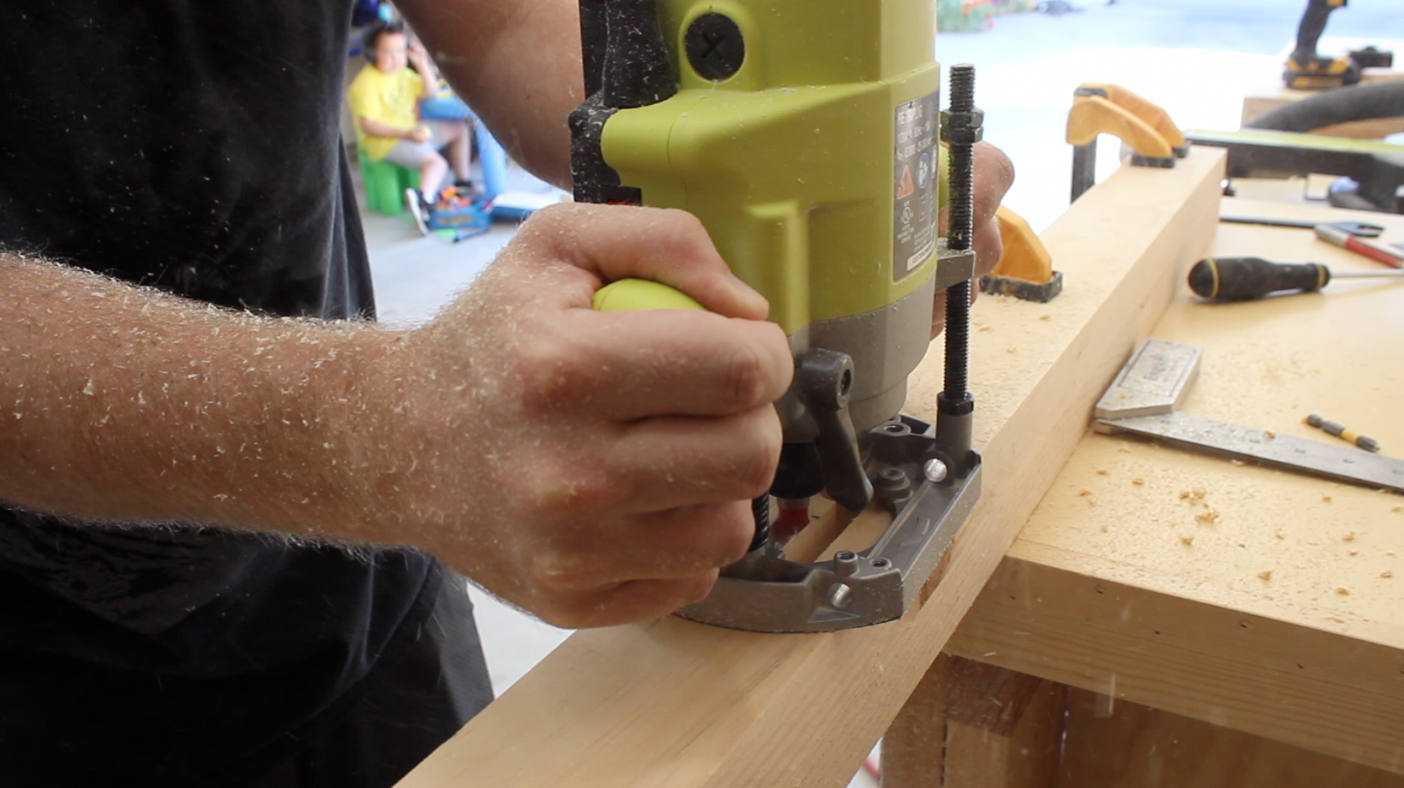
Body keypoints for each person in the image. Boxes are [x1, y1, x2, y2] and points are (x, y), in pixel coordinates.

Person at [0, 1, 1013, 786]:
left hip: (367, 588)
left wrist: (818, 158)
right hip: (49, 687)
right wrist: (387, 430)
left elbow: (505, 20)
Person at [347, 20, 474, 233]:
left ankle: (463, 182)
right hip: (383, 142)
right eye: (387, 52)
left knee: (460, 128)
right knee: (437, 164)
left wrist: (421, 62)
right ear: (372, 53)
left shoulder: (403, 73)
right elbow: (367, 125)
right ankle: (423, 199)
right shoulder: (365, 83)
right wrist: (407, 133)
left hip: (410, 132)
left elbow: (430, 92)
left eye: (400, 50)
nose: (395, 57)